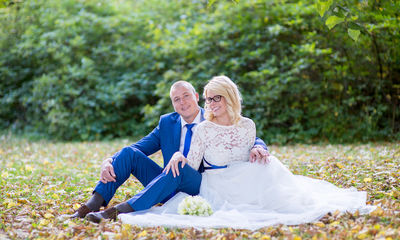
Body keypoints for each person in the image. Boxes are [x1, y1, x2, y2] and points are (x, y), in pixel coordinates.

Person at [118, 76, 375, 229]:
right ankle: (121, 208)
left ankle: (124, 207)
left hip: (245, 179)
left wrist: (258, 148)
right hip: (213, 182)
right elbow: (192, 164)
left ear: (229, 97)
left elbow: (247, 142)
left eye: (215, 98)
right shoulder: (203, 128)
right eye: (208, 99)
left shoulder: (248, 125)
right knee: (171, 165)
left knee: (289, 202)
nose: (211, 104)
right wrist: (178, 157)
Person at [64, 80, 269, 222]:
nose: (182, 102)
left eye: (186, 96)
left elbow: (240, 133)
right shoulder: (167, 122)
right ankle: (91, 204)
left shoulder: (213, 116)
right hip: (166, 182)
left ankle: (118, 211)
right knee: (128, 153)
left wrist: (259, 145)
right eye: (176, 99)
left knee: (179, 166)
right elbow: (138, 147)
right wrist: (108, 160)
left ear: (197, 97)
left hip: (198, 184)